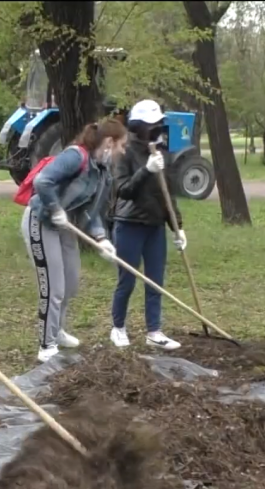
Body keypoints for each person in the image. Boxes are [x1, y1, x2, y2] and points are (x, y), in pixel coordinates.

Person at [21, 119, 128, 363]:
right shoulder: (75, 156)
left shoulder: (103, 174)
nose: (123, 151)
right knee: (54, 287)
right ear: (109, 142)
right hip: (41, 220)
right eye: (122, 145)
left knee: (70, 282)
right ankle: (46, 345)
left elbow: (92, 214)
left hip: (64, 226)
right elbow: (42, 181)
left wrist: (102, 239)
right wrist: (55, 207)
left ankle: (57, 331)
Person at [109, 99, 185, 351]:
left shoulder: (162, 152)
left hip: (154, 226)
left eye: (158, 125)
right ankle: (118, 328)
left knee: (155, 280)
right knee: (127, 280)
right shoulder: (124, 152)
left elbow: (167, 194)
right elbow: (123, 190)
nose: (156, 129)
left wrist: (178, 227)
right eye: (151, 125)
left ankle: (154, 331)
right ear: (138, 126)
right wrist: (146, 170)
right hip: (129, 223)